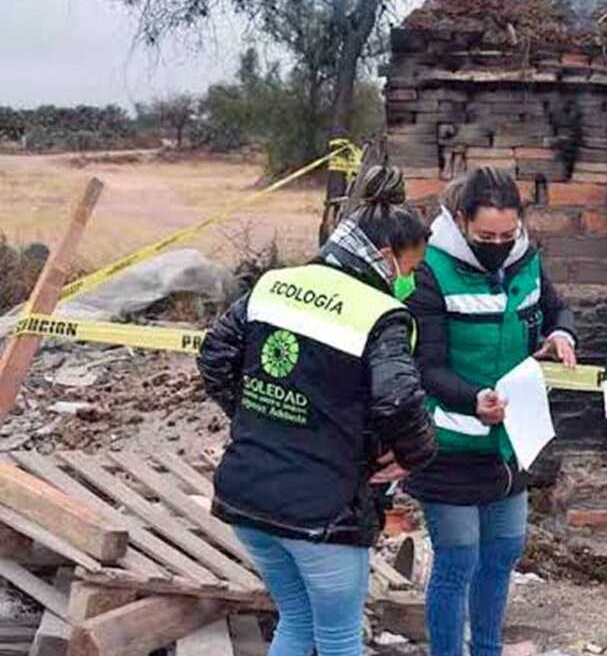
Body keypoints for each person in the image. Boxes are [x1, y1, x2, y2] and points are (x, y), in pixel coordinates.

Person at [197, 167, 436, 656]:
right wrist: (414, 453)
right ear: (387, 258)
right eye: (409, 271)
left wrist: (259, 421)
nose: (409, 282)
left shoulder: (273, 285)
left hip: (249, 497)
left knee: (297, 622)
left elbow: (214, 358)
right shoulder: (380, 313)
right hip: (321, 511)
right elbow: (397, 399)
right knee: (338, 639)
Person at [405, 166, 577, 656]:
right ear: (461, 221)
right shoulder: (430, 270)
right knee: (458, 561)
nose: (499, 243)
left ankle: (487, 650)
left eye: (508, 234)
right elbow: (426, 365)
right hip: (449, 443)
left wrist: (561, 332)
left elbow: (555, 308)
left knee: (502, 554)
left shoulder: (525, 258)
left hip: (509, 443)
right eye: (487, 236)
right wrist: (473, 400)